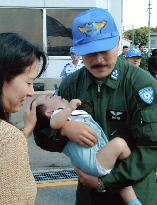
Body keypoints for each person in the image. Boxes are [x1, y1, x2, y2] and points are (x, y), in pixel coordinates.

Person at [33, 8, 157, 205]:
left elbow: (152, 147)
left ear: (117, 43)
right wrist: (64, 129)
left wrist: (104, 181)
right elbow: (40, 133)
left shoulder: (141, 84)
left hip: (136, 194)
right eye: (89, 52)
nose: (98, 60)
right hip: (90, 198)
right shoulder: (71, 84)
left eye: (104, 50)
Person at [34, 94, 142, 205]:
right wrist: (66, 125)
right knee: (119, 144)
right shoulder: (59, 113)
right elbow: (53, 124)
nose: (55, 95)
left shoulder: (69, 113)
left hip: (97, 157)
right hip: (93, 161)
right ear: (49, 113)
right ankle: (132, 167)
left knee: (123, 181)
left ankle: (133, 201)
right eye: (50, 97)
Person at [0, 33, 47, 204]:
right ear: (4, 78)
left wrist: (25, 131)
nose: (31, 92)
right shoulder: (8, 138)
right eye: (28, 82)